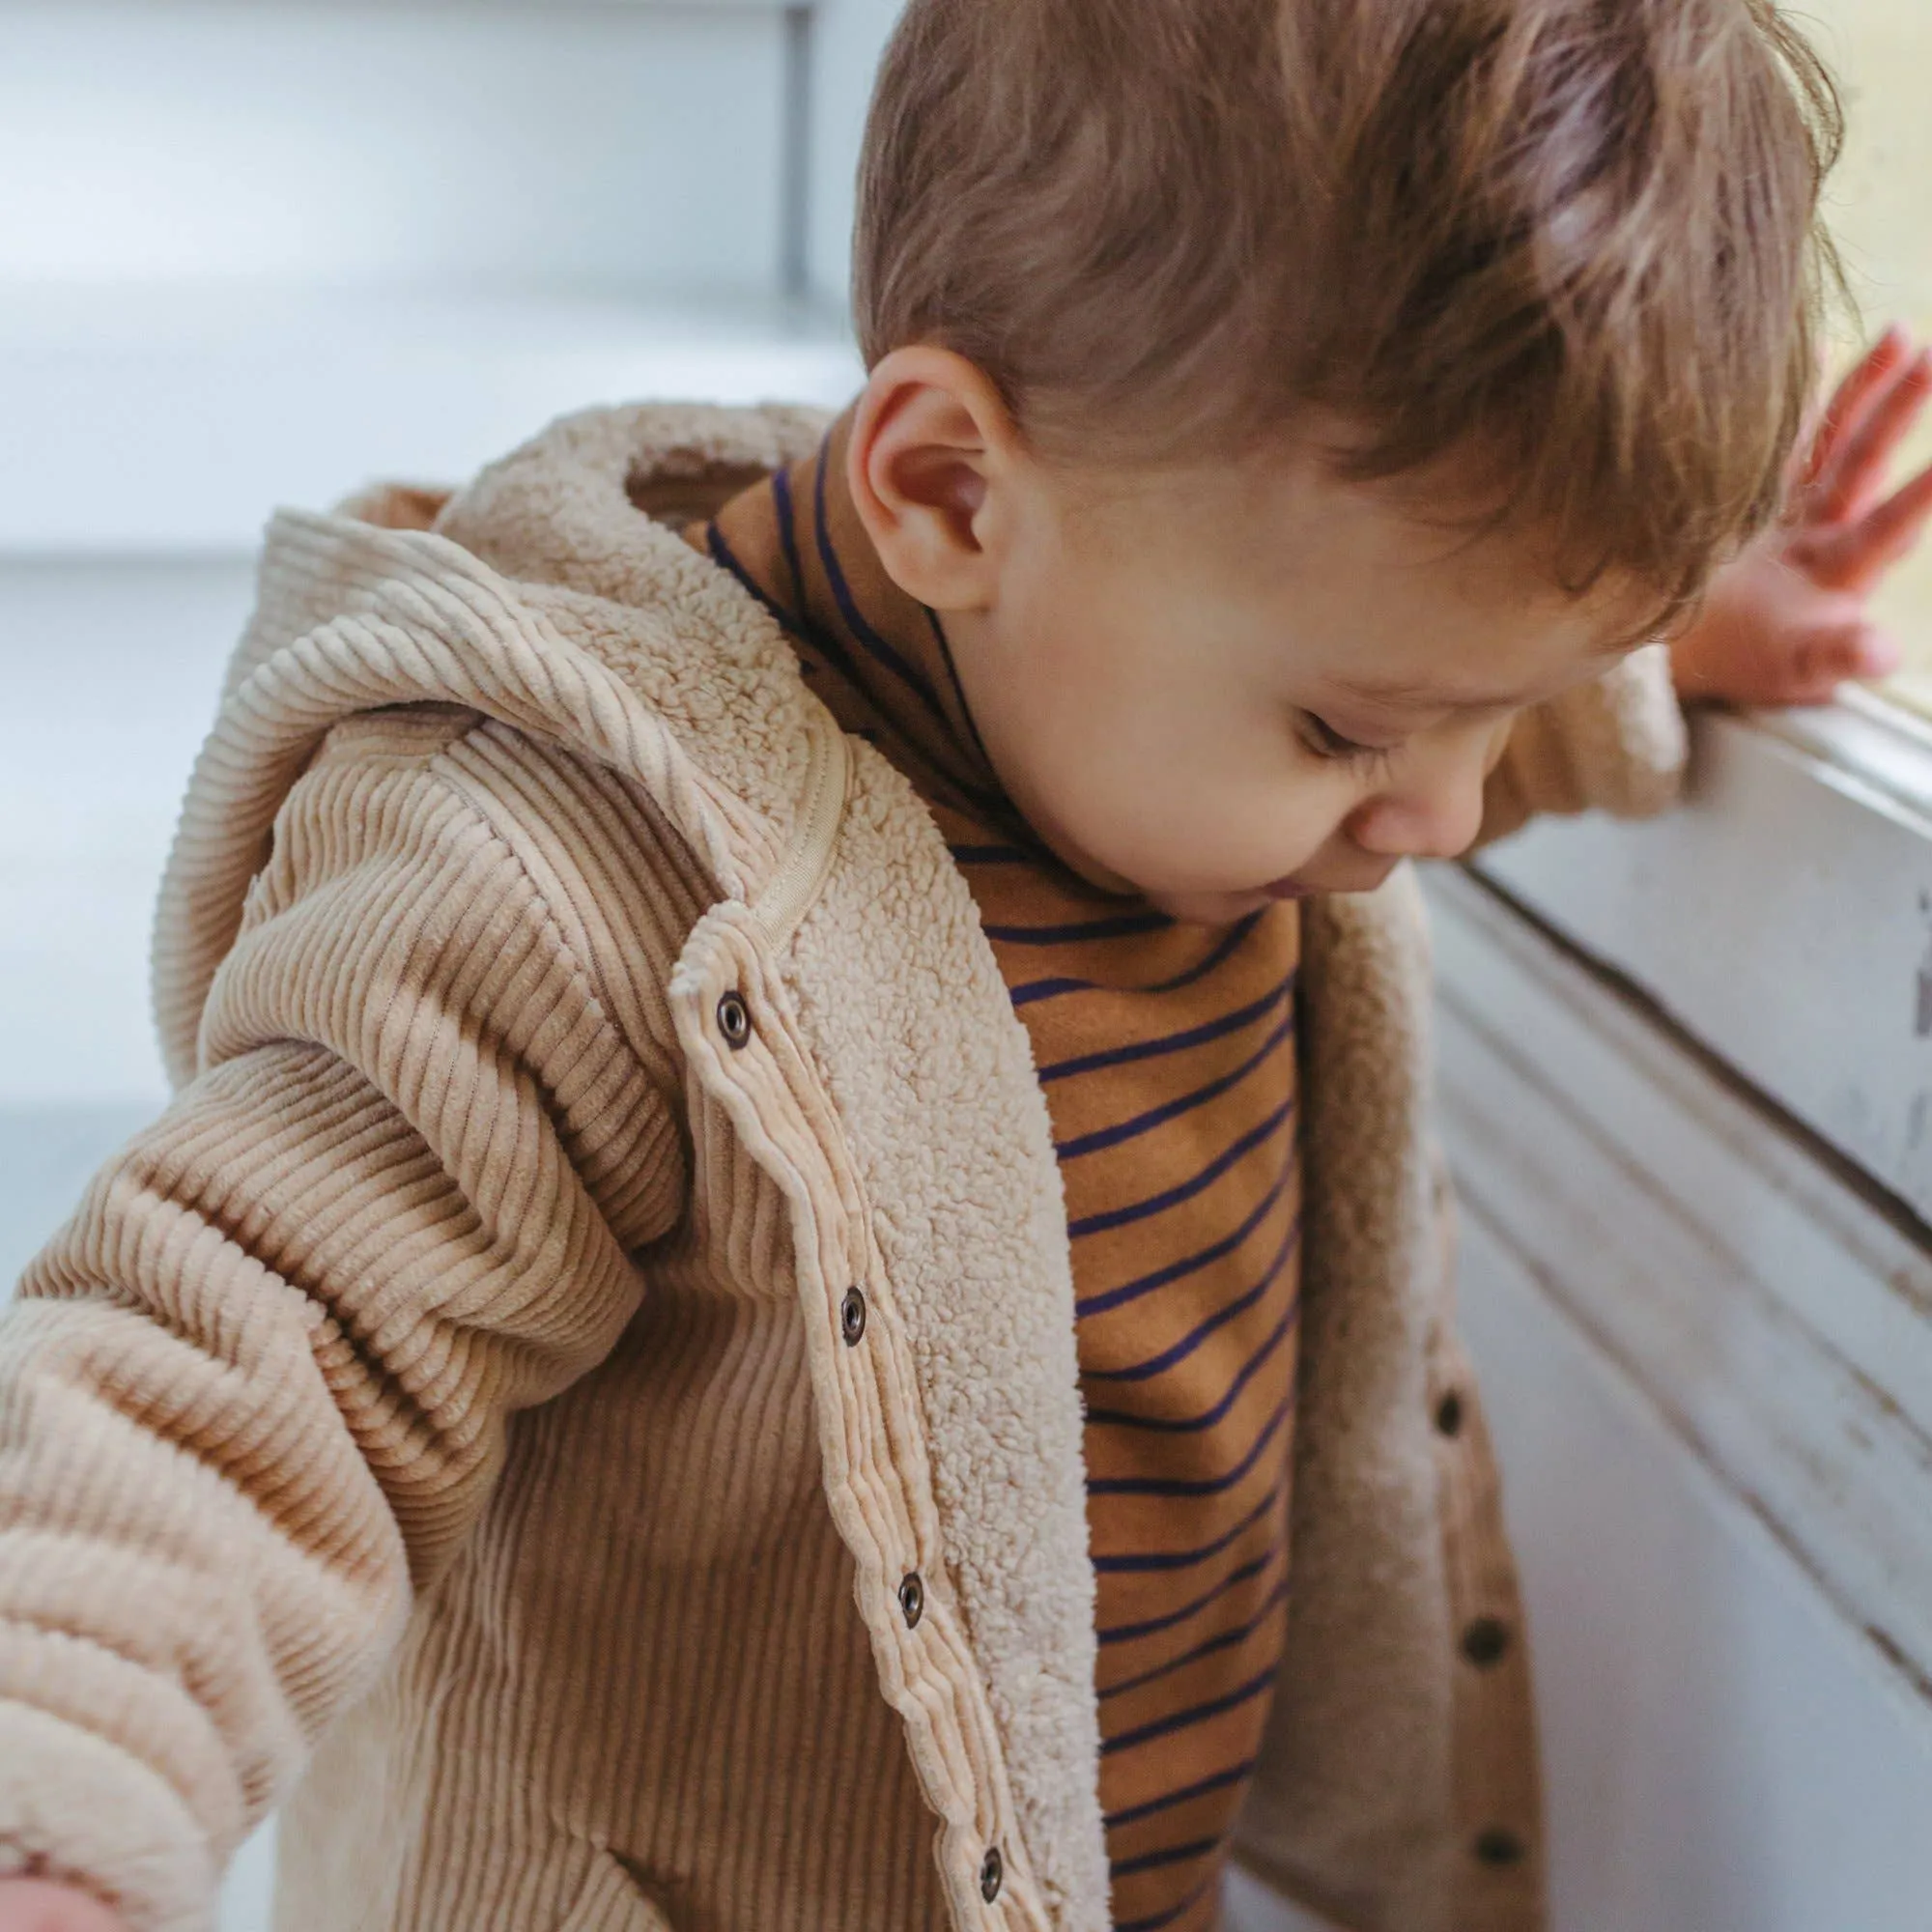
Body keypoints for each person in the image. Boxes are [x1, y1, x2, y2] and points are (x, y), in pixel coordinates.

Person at [2, 4, 1930, 1930]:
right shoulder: (559, 871)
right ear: (944, 494)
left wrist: (1654, 655)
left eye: (1491, 720)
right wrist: (61, 1805)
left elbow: (1407, 688)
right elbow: (261, 1347)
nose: (1430, 818)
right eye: (1352, 732)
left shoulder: (1134, 652)